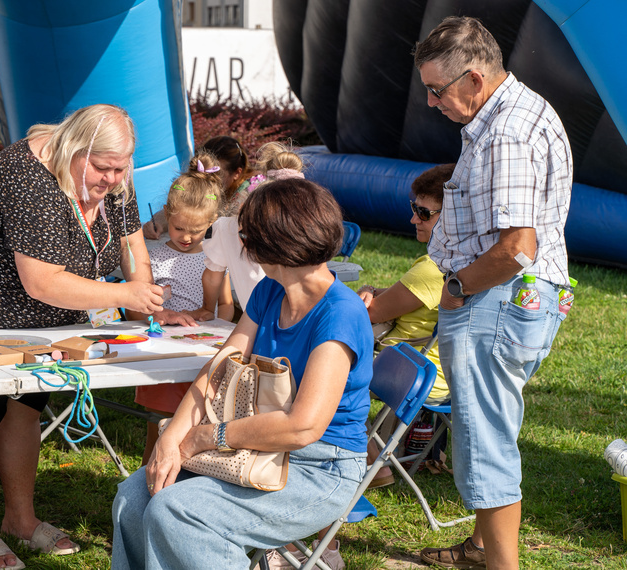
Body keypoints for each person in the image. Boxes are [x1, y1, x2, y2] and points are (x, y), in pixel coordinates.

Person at [0, 104, 194, 570]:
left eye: (120, 169)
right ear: (75, 149)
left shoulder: (113, 175)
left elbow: (132, 245)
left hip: (45, 302)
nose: (112, 179)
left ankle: (21, 520)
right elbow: (42, 281)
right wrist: (122, 291)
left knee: (28, 403)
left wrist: (147, 299)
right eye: (104, 169)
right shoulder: (25, 177)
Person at [111, 178, 373, 570]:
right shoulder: (272, 289)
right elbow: (219, 367)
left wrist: (210, 436)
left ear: (276, 244)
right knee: (134, 496)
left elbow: (303, 427)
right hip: (259, 445)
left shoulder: (339, 314)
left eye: (247, 235)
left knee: (179, 512)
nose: (242, 243)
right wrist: (173, 438)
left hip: (319, 467)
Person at [413, 17, 572, 569]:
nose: (432, 102)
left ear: (475, 80)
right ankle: (482, 549)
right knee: (488, 428)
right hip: (510, 302)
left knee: (485, 443)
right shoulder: (510, 113)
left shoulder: (505, 131)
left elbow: (517, 248)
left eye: (437, 90)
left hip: (495, 302)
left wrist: (455, 285)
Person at [355, 163, 454, 491]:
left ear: (452, 217)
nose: (414, 218)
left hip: (412, 372)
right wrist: (375, 293)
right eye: (414, 209)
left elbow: (366, 314)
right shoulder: (460, 261)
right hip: (437, 370)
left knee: (319, 370)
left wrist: (368, 295)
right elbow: (395, 295)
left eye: (424, 213)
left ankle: (371, 461)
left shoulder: (432, 268)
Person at [135, 151, 234, 465]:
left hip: (205, 355)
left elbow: (227, 306)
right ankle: (149, 474)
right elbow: (135, 309)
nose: (188, 238)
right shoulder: (152, 255)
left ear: (212, 222)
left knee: (201, 423)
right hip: (163, 354)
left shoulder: (217, 257)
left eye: (197, 230)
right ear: (166, 215)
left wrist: (213, 325)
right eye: (179, 229)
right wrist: (159, 317)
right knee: (161, 425)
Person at [199, 141, 304, 320]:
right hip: (259, 325)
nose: (250, 243)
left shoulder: (296, 231)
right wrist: (208, 309)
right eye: (244, 233)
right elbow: (212, 274)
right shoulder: (226, 229)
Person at [142, 135, 258, 239]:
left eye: (217, 173)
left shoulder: (250, 192)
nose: (207, 177)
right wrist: (157, 222)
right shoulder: (207, 182)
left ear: (237, 173)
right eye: (204, 170)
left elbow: (228, 227)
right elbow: (182, 205)